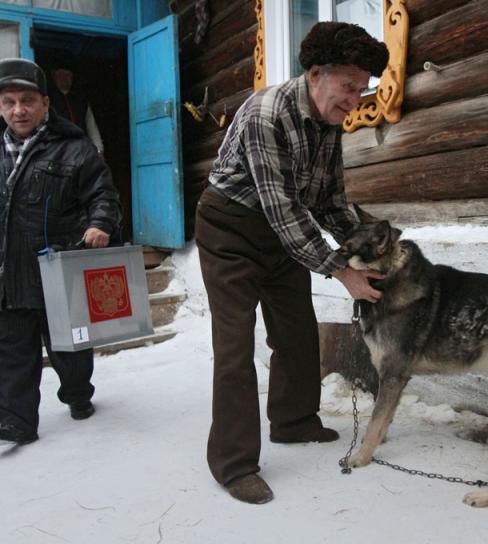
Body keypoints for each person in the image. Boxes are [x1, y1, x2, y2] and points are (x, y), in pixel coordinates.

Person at [195, 22, 389, 504]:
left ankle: (294, 421)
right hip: (230, 228)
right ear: (317, 74)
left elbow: (329, 200)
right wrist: (341, 270)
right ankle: (234, 464)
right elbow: (283, 208)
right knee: (235, 345)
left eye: (362, 91)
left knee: (297, 332)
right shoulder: (266, 112)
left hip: (282, 233)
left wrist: (365, 249)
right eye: (349, 87)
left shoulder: (328, 124)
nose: (354, 100)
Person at [0, 58, 121, 447]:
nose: (18, 110)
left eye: (27, 101)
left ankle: (77, 394)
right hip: (6, 271)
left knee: (69, 349)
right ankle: (16, 423)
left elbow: (103, 194)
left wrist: (100, 223)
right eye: (8, 102)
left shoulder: (75, 148)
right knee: (12, 352)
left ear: (44, 104)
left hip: (57, 267)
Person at [48, 59, 104, 155]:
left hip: (81, 150)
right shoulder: (48, 101)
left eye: (68, 75)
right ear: (55, 77)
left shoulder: (81, 101)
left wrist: (99, 150)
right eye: (61, 74)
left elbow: (92, 127)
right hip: (58, 151)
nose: (65, 78)